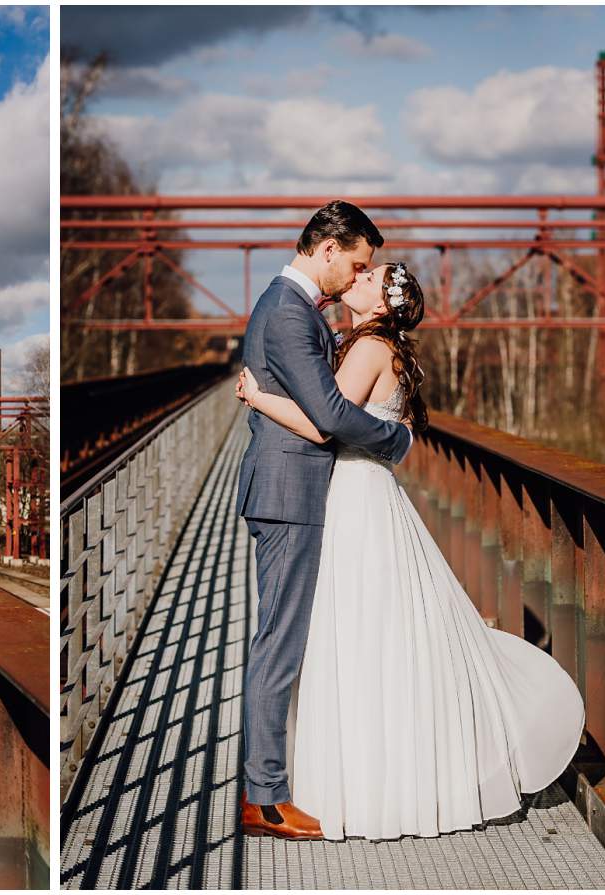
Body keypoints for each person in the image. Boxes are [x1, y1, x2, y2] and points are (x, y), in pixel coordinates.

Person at [239, 261, 584, 840]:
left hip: (353, 495)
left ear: (380, 305)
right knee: (371, 630)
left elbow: (326, 426)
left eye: (369, 277)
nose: (359, 276)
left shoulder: (369, 348)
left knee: (351, 631)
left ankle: (346, 780)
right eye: (361, 267)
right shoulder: (374, 344)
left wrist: (257, 396)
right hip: (365, 491)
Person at [233, 200, 413, 839]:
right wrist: (395, 440)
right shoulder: (287, 311)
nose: (357, 276)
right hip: (290, 492)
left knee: (282, 640)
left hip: (291, 490)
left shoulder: (290, 307)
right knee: (279, 645)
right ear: (329, 248)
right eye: (357, 262)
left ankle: (273, 785)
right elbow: (331, 416)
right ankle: (265, 798)